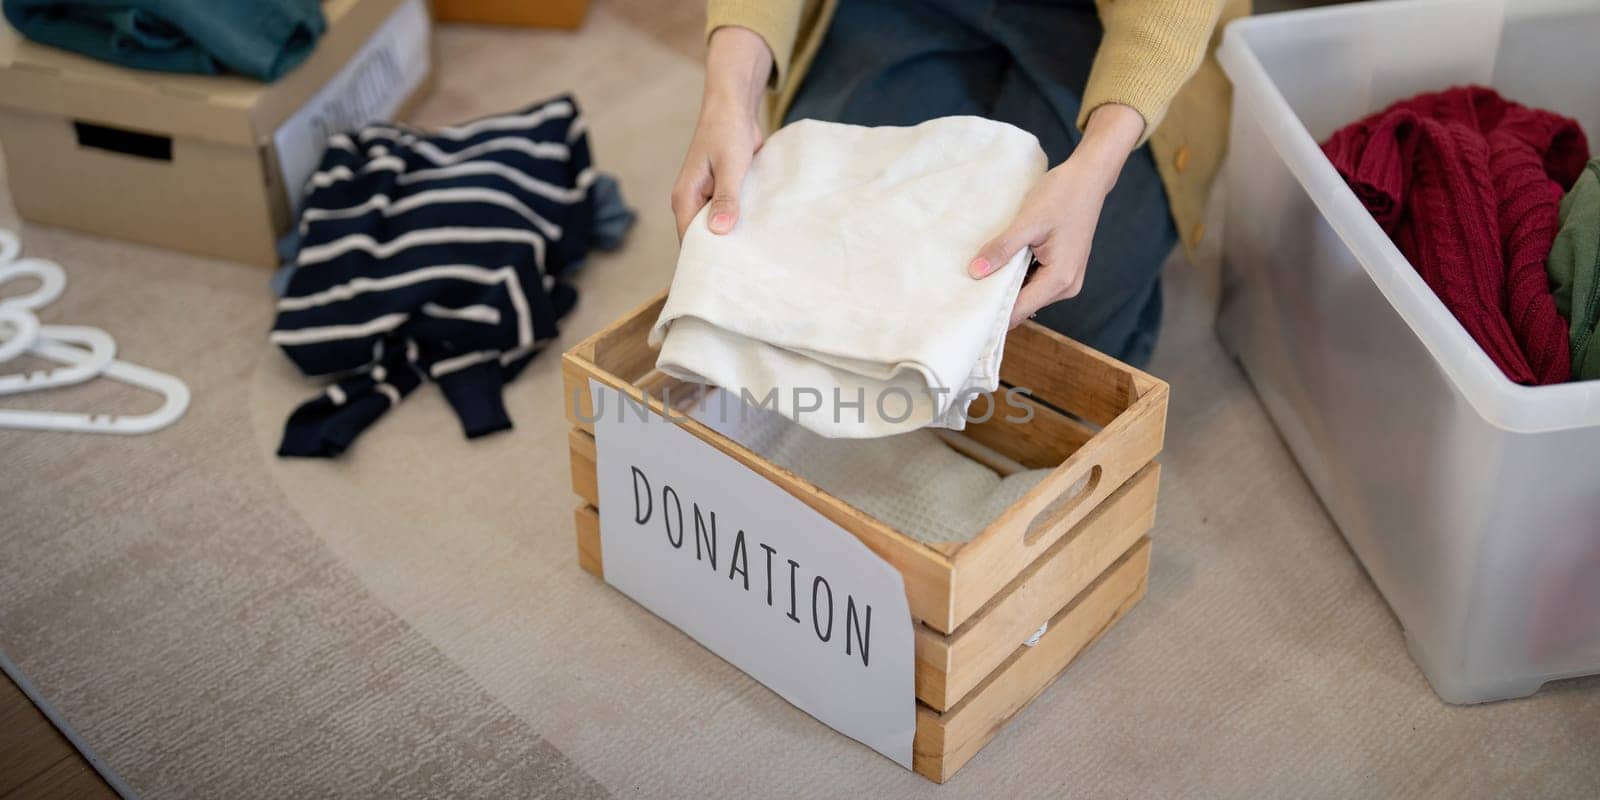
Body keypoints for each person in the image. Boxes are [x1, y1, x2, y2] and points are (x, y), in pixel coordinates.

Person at [671, 0, 1247, 367]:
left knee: (1043, 320)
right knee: (817, 231)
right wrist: (729, 95)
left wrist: (1097, 165)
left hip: (1110, 20)